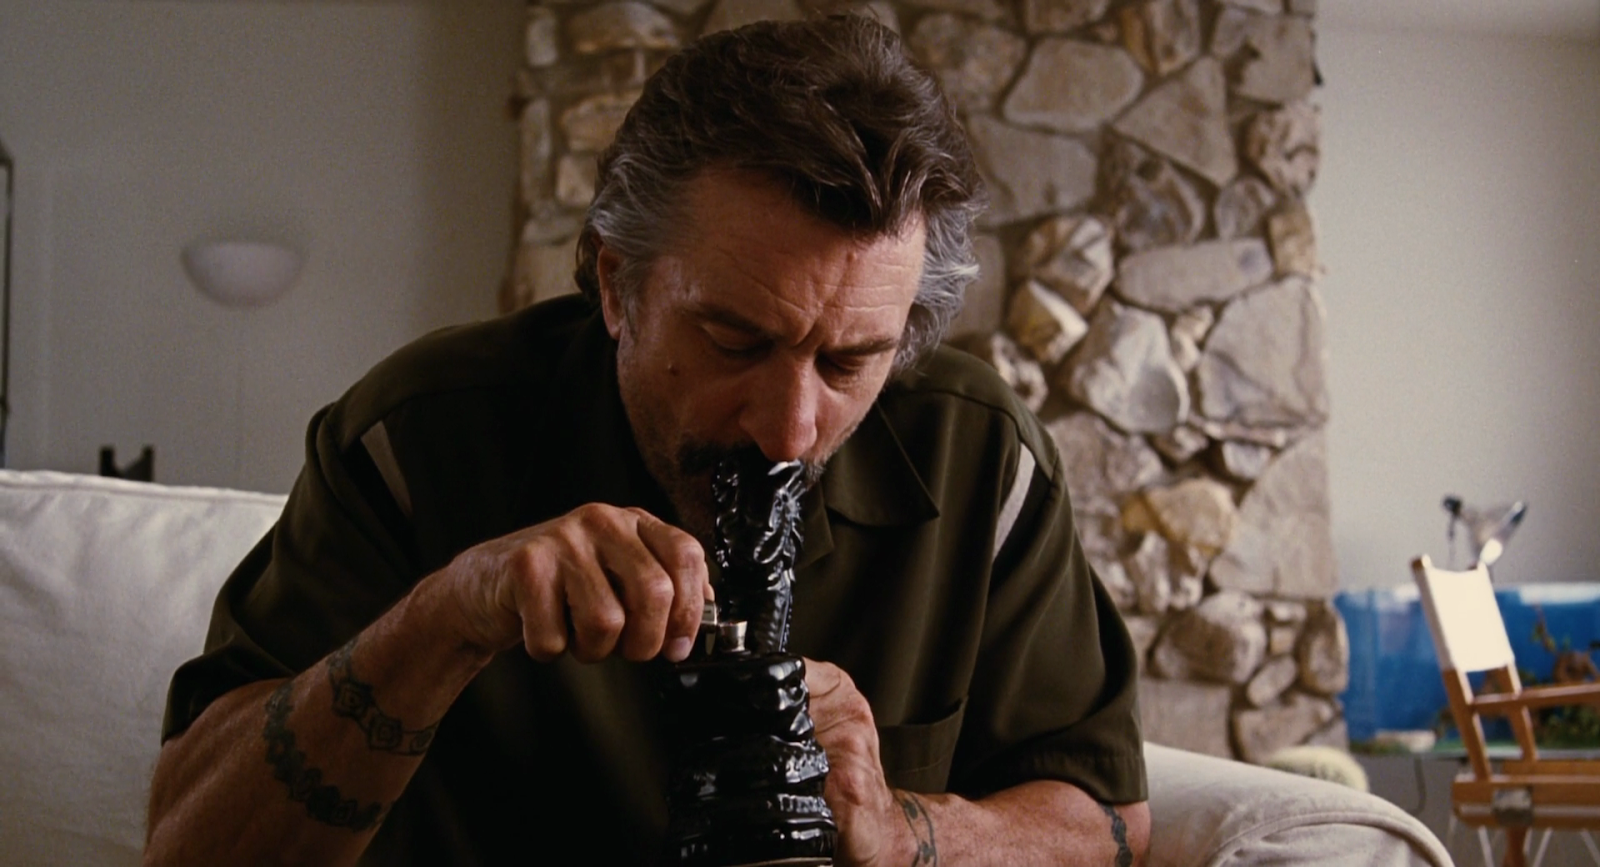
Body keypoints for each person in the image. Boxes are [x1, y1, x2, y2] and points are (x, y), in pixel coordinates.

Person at [145, 14, 1148, 866]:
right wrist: (445, 619)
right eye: (734, 341)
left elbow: (1107, 818)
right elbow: (188, 847)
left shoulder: (982, 461)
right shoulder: (415, 439)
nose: (789, 429)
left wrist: (903, 830)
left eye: (849, 362)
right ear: (616, 283)